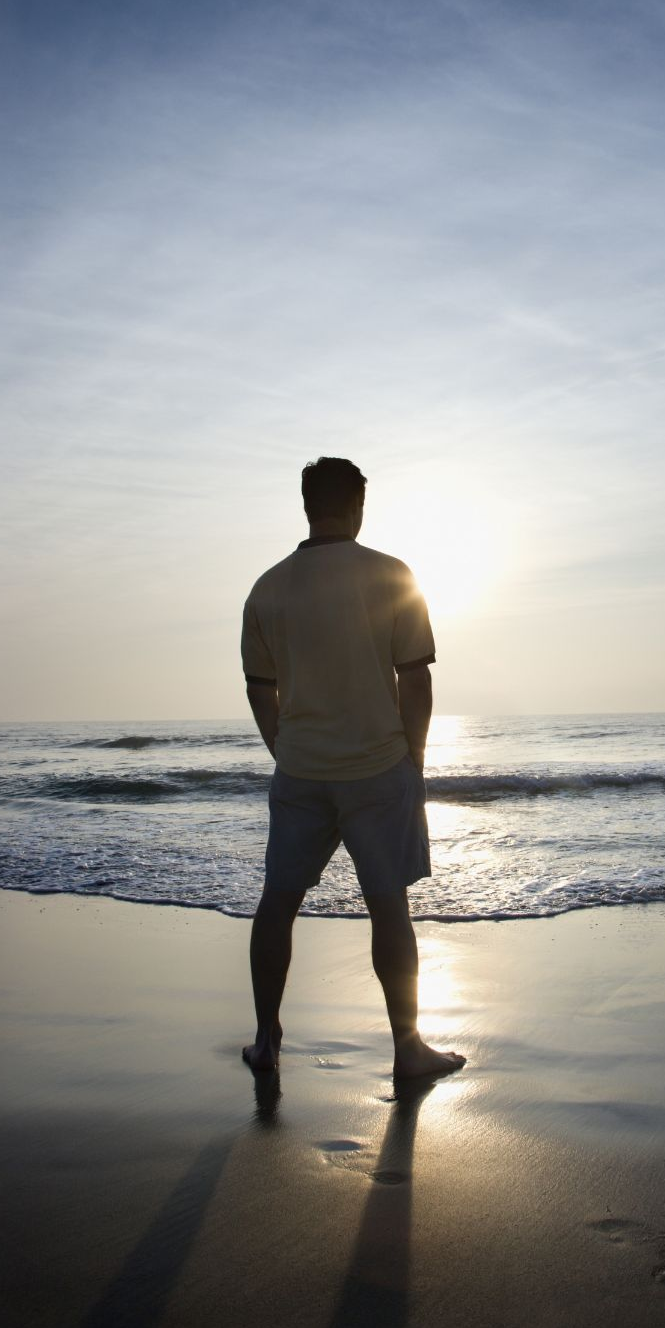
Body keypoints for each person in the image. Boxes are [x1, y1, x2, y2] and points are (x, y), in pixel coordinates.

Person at [240, 455, 465, 1081]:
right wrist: (414, 758)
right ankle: (407, 1047)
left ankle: (266, 1039)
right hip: (377, 767)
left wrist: (284, 750)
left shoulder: (268, 587)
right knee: (388, 907)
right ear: (359, 506)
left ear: (307, 505)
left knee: (277, 904)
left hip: (302, 769)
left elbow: (261, 688)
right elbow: (413, 677)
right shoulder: (392, 575)